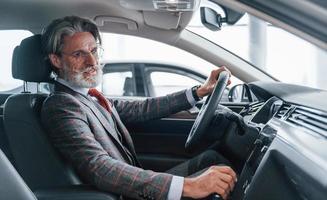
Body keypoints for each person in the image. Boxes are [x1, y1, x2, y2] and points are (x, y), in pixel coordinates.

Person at [41, 16, 237, 200]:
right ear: (56, 60)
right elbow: (100, 168)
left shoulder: (88, 96)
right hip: (120, 195)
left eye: (93, 51)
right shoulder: (61, 105)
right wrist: (189, 186)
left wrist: (198, 92)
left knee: (212, 160)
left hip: (129, 190)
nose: (92, 62)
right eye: (78, 54)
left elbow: (142, 108)